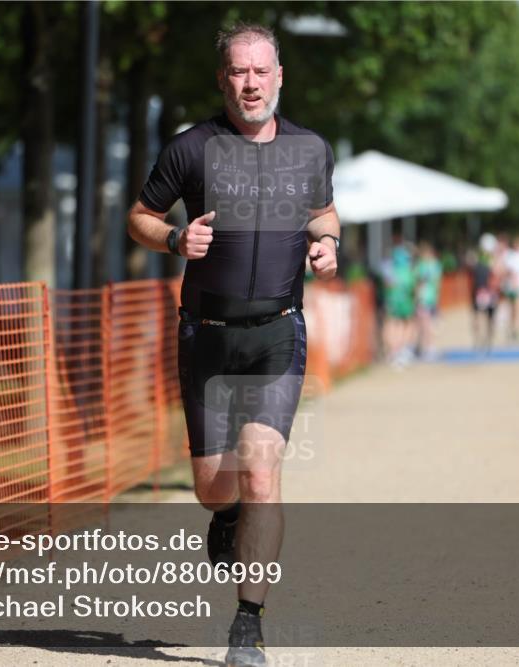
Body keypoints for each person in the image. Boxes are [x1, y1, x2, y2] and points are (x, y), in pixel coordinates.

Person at [127, 22, 340, 667]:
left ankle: (248, 624)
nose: (250, 83)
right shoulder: (191, 149)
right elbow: (139, 215)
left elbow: (324, 212)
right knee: (216, 488)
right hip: (207, 335)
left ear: (280, 77)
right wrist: (171, 239)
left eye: (261, 71)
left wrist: (328, 242)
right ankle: (228, 515)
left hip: (278, 330)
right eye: (238, 72)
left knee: (263, 469)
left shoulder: (310, 149)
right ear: (224, 79)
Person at [383, 240, 416, 367]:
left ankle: (393, 351)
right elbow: (412, 288)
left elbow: (386, 286)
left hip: (391, 302)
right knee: (407, 324)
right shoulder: (408, 272)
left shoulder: (390, 270)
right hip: (406, 303)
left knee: (392, 325)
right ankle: (402, 350)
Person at [413, 241, 442, 360]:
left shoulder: (422, 266)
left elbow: (417, 282)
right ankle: (426, 347)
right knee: (426, 324)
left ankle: (427, 348)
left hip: (424, 299)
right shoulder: (434, 265)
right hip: (429, 299)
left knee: (426, 324)